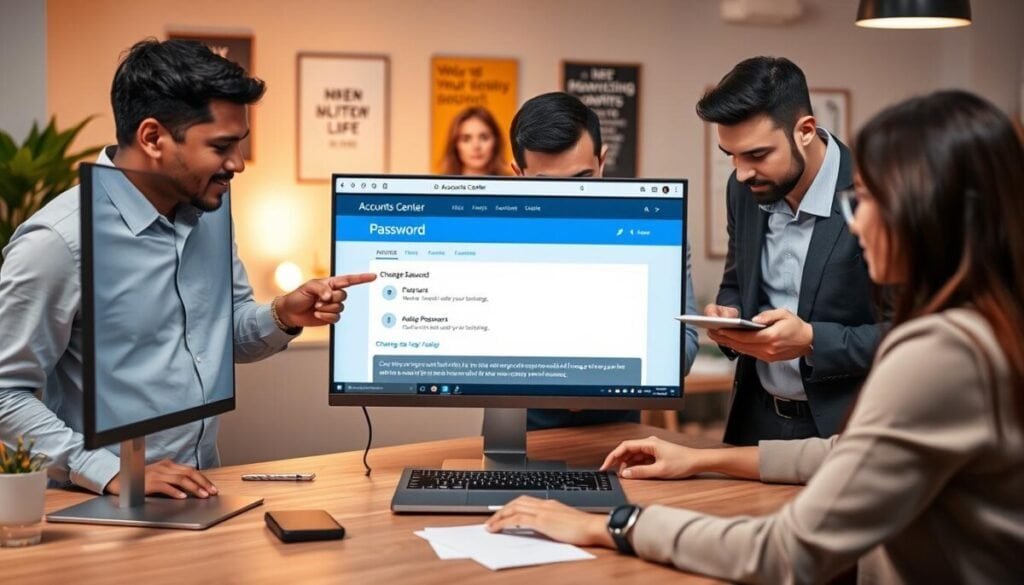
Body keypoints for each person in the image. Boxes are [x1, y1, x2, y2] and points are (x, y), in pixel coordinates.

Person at [487, 89, 1024, 583]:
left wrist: (610, 525)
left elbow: (786, 551)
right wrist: (701, 457)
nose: (856, 223)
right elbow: (848, 453)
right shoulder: (986, 332)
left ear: (930, 213)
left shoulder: (943, 353)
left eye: (869, 200)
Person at [0, 39, 375, 499]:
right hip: (99, 509)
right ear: (153, 138)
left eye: (240, 144)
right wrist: (112, 472)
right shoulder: (58, 242)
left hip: (202, 494)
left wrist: (283, 314)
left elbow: (223, 336)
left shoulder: (209, 210)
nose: (237, 164)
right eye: (221, 147)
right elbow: (5, 393)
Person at [698, 57, 881, 445]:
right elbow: (736, 280)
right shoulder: (743, 189)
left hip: (846, 428)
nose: (742, 171)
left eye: (757, 155)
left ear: (805, 131)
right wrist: (728, 314)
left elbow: (910, 331)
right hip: (755, 420)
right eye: (730, 154)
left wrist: (813, 339)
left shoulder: (876, 193)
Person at [509, 92, 699, 430]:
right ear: (518, 173)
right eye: (547, 185)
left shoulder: (656, 231)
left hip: (619, 433)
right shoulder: (488, 236)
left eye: (581, 179)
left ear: (602, 161)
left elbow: (684, 346)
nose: (568, 199)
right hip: (515, 433)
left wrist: (597, 382)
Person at [439, 106, 510, 176]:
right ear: (455, 145)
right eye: (466, 139)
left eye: (484, 138)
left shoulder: (512, 185)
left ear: (496, 141)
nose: (476, 146)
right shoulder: (438, 185)